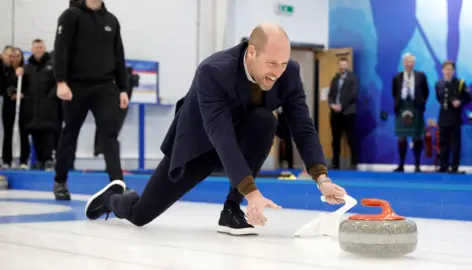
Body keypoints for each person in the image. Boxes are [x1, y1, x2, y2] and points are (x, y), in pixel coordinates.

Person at [84, 24, 348, 235]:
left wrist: (321, 179)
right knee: (141, 215)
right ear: (252, 52)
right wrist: (252, 192)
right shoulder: (213, 71)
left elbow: (302, 126)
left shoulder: (288, 73)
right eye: (271, 64)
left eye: (283, 63)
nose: (277, 72)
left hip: (242, 142)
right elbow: (220, 135)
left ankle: (231, 210)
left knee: (264, 120)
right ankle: (113, 198)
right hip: (199, 145)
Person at [53, 0, 130, 200]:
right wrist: (61, 81)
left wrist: (123, 88)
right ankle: (60, 180)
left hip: (104, 86)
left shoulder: (111, 20)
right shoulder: (71, 15)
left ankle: (118, 183)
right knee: (70, 133)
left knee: (109, 134)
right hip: (75, 86)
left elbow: (119, 56)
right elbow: (60, 49)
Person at [22, 39, 59, 170]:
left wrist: (51, 96)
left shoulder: (52, 64)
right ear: (32, 49)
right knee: (35, 132)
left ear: (44, 48)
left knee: (48, 132)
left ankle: (48, 159)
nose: (39, 50)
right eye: (36, 47)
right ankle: (39, 159)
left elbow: (58, 82)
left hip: (49, 106)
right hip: (32, 106)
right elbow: (22, 86)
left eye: (41, 47)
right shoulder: (27, 67)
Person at [392, 53, 429, 172]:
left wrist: (420, 102)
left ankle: (417, 165)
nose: (409, 64)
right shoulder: (397, 77)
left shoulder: (421, 75)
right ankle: (401, 165)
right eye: (407, 61)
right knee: (401, 138)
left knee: (417, 137)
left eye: (411, 61)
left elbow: (426, 92)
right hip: (402, 106)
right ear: (403, 63)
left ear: (414, 63)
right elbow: (394, 93)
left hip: (416, 107)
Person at [435, 60, 472, 173]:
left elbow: (468, 97)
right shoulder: (438, 84)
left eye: (450, 69)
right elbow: (439, 99)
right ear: (442, 71)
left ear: (454, 71)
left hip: (455, 117)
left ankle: (454, 166)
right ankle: (443, 166)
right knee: (443, 142)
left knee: (455, 143)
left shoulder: (460, 83)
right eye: (446, 69)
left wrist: (460, 102)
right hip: (443, 117)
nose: (448, 71)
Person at [1, 47, 31, 170]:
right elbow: (3, 85)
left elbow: (31, 87)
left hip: (24, 104)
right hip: (9, 104)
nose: (15, 58)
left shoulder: (26, 70)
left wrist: (24, 94)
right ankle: (6, 160)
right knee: (8, 132)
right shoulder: (4, 70)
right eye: (12, 56)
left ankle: (24, 160)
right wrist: (12, 93)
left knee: (24, 132)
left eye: (18, 56)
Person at [327, 57, 358, 170]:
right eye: (340, 65)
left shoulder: (353, 78)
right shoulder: (335, 78)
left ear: (347, 65)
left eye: (344, 65)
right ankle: (335, 163)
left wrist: (342, 106)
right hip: (335, 113)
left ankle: (354, 163)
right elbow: (330, 94)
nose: (342, 67)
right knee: (335, 139)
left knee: (351, 138)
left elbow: (353, 95)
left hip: (348, 113)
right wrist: (332, 104)